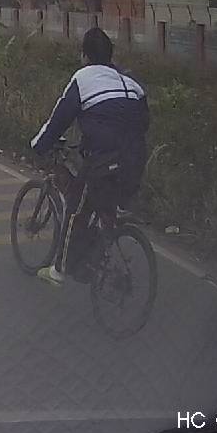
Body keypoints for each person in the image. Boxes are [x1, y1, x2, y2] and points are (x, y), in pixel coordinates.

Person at [30, 27, 150, 285]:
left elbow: (59, 119)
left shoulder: (83, 78)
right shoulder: (130, 82)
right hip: (135, 159)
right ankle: (96, 254)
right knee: (102, 202)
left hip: (104, 160)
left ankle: (59, 271)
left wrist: (39, 145)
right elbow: (143, 122)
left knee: (75, 209)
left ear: (84, 55)